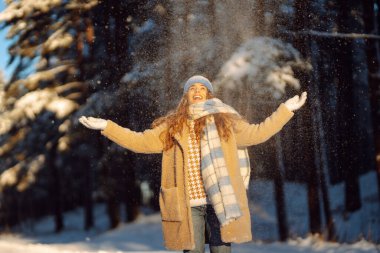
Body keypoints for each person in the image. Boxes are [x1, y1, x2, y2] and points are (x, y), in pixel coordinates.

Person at [79, 75, 307, 253]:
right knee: (193, 250)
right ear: (185, 96)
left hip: (220, 199)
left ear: (209, 94)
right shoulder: (173, 126)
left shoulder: (225, 121)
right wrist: (107, 127)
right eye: (192, 88)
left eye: (202, 88)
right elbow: (140, 141)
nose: (197, 91)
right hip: (188, 202)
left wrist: (284, 111)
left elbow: (258, 133)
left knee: (221, 249)